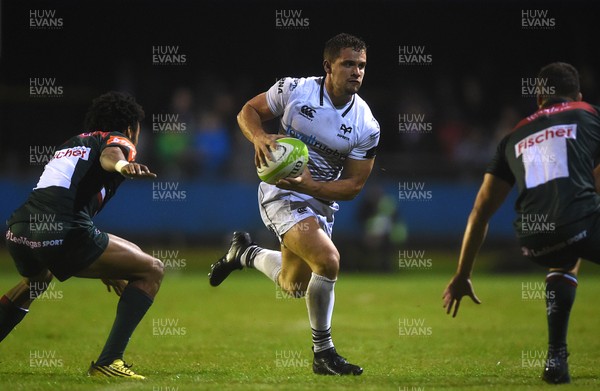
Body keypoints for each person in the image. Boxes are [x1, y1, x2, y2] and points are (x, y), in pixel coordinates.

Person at [209, 33, 380, 375]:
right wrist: (259, 136)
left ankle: (243, 253)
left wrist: (314, 185)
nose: (356, 72)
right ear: (328, 66)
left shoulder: (367, 124)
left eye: (361, 65)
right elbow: (248, 111)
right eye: (348, 64)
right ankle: (324, 354)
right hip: (281, 193)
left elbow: (355, 186)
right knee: (328, 260)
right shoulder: (295, 89)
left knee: (294, 284)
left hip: (320, 200)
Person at [442, 62, 600, 384]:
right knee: (574, 228)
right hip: (580, 220)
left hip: (534, 238)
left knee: (564, 258)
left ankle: (556, 358)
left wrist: (462, 274)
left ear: (539, 97)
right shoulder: (589, 113)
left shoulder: (512, 137)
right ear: (577, 95)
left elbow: (480, 213)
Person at [1, 91, 162, 379]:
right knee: (152, 269)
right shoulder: (116, 139)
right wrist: (124, 165)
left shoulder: (70, 145)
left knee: (36, 281)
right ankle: (109, 362)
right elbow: (111, 156)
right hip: (63, 230)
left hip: (19, 229)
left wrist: (107, 265)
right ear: (129, 128)